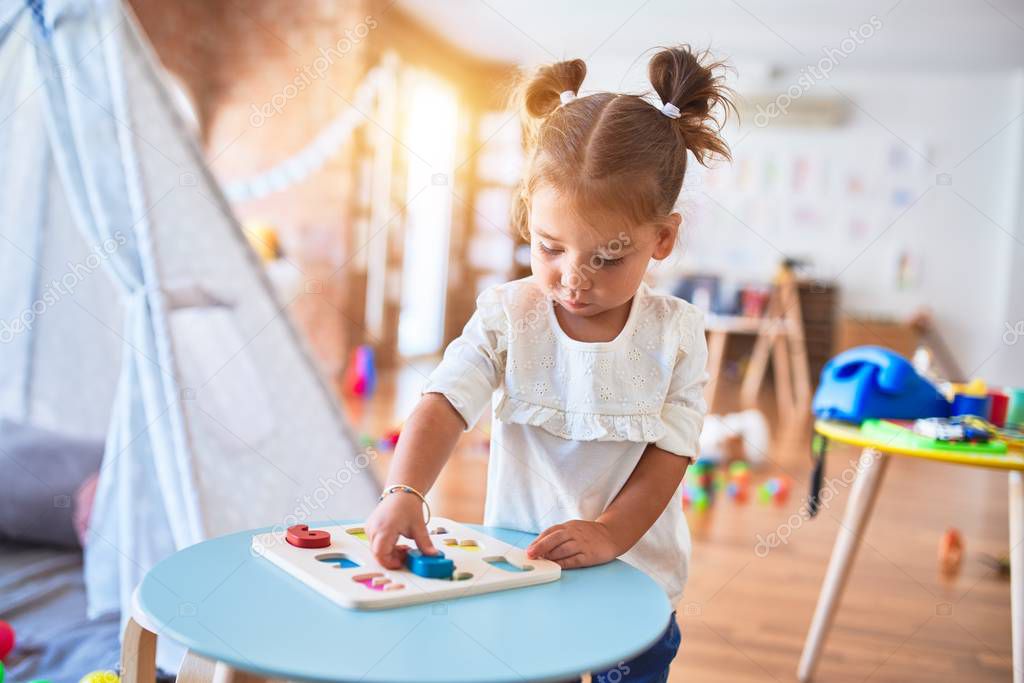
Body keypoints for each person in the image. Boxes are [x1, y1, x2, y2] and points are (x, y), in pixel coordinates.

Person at [366, 44, 734, 682]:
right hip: (519, 570)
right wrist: (405, 491)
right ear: (527, 222)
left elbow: (670, 454)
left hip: (634, 578)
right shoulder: (510, 315)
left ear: (663, 239)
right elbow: (445, 401)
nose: (574, 280)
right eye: (550, 248)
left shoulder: (676, 332)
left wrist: (610, 534)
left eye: (608, 257)